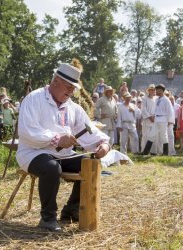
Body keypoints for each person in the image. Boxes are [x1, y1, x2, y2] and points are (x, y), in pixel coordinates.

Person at [16, 62, 110, 232]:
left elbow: (90, 130)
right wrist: (57, 139)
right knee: (51, 168)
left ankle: (71, 209)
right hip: (33, 152)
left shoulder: (72, 107)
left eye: (73, 88)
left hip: (63, 155)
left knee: (90, 163)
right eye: (68, 87)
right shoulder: (34, 99)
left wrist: (103, 144)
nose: (71, 92)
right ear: (56, 81)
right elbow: (27, 132)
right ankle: (48, 218)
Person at [141, 84, 174, 155]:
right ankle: (145, 152)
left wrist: (169, 121)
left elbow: (170, 111)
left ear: (162, 91)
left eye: (159, 90)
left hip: (163, 119)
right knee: (151, 135)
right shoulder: (157, 99)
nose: (157, 92)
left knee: (164, 136)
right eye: (157, 90)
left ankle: (165, 152)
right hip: (157, 120)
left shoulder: (166, 100)